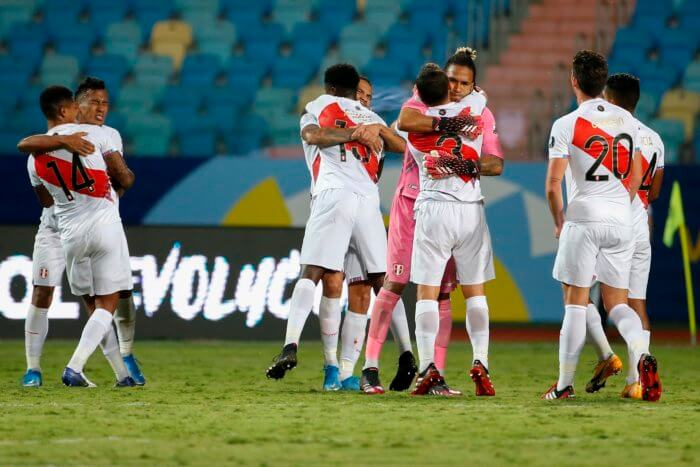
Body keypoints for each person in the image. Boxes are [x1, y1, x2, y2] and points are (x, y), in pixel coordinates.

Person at [360, 48, 504, 396]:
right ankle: (370, 367)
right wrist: (455, 121)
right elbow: (407, 120)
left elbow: (494, 162)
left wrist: (459, 161)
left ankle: (434, 371)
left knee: (440, 292)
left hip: (435, 206)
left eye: (463, 83)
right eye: (451, 79)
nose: (455, 87)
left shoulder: (475, 111)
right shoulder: (429, 100)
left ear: (473, 85)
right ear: (443, 76)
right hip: (411, 203)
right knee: (393, 284)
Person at [265, 64, 404, 381]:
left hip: (353, 204)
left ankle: (343, 371)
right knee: (334, 281)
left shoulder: (370, 123)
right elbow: (316, 134)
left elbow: (397, 146)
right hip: (346, 201)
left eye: (369, 96)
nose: (365, 100)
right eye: (360, 93)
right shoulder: (355, 119)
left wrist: (379, 131)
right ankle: (333, 368)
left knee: (361, 289)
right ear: (351, 92)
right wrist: (366, 132)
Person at [541, 51, 660, 401]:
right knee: (618, 304)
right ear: (603, 81)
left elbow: (552, 185)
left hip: (584, 218)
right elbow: (637, 174)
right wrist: (621, 206)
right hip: (622, 220)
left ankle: (564, 386)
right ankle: (642, 357)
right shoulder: (628, 120)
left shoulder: (567, 124)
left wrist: (559, 222)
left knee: (576, 302)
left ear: (574, 81)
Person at [18, 78, 146, 386]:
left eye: (106, 103)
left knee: (103, 299)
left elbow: (43, 190)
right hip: (77, 225)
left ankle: (123, 366)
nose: (100, 108)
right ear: (72, 107)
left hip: (71, 223)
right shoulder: (91, 137)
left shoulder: (37, 154)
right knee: (98, 300)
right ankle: (41, 368)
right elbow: (121, 176)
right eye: (91, 103)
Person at [583, 73, 665, 400]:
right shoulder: (655, 139)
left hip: (608, 223)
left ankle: (606, 355)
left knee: (580, 297)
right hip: (640, 225)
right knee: (637, 303)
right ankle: (636, 381)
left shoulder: (607, 133)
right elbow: (654, 191)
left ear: (611, 100)